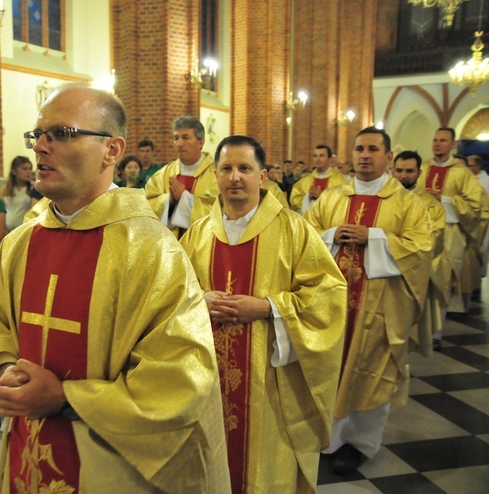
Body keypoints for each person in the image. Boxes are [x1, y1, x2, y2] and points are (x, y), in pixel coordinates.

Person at [0, 84, 230, 493]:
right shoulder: (21, 243)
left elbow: (181, 378)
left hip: (109, 466)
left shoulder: (151, 251)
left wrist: (66, 398)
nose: (40, 147)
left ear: (111, 151)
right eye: (37, 134)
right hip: (28, 453)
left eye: (60, 134)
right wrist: (7, 372)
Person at [180, 135, 346, 492]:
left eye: (245, 168)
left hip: (270, 385)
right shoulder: (197, 234)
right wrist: (199, 299)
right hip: (207, 379)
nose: (235, 177)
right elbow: (169, 295)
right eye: (226, 169)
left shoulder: (293, 229)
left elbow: (328, 295)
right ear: (215, 175)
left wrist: (268, 307)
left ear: (263, 175)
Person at [304, 127, 433, 474]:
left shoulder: (408, 203)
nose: (364, 155)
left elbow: (421, 247)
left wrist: (374, 238)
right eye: (359, 148)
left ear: (388, 157)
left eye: (373, 149)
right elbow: (304, 235)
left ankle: (359, 444)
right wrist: (331, 235)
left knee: (370, 371)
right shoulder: (332, 197)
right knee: (329, 368)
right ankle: (326, 439)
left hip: (379, 308)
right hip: (331, 305)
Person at [416, 128, 488, 316]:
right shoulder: (423, 168)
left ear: (453, 145)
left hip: (450, 232)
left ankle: (438, 331)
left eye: (443, 140)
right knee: (421, 276)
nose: (437, 144)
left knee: (443, 278)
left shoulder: (462, 172)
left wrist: (444, 199)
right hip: (423, 230)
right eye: (435, 140)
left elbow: (475, 205)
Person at [392, 151, 451, 354]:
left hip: (412, 270)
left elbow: (432, 239)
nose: (403, 176)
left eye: (409, 171)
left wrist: (393, 246)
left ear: (419, 173)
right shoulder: (383, 198)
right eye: (399, 170)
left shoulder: (431, 206)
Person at [144, 116, 218, 237]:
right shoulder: (163, 174)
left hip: (201, 245)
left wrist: (184, 198)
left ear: (201, 142)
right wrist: (169, 201)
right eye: (176, 138)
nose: (179, 144)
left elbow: (219, 210)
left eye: (185, 137)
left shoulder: (216, 174)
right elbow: (147, 204)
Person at [290, 145, 348, 214]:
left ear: (330, 159)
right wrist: (308, 198)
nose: (318, 159)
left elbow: (344, 204)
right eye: (315, 156)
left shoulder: (341, 181)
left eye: (322, 156)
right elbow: (294, 202)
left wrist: (321, 197)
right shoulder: (305, 181)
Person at [0, 155, 35, 232]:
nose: (28, 172)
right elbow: (0, 212)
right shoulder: (5, 189)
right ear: (14, 171)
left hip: (25, 230)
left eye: (30, 169)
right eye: (24, 169)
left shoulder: (33, 189)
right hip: (8, 230)